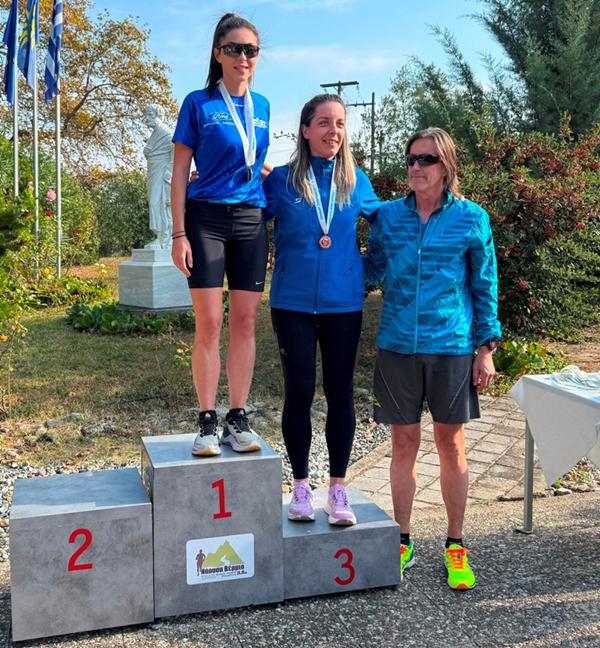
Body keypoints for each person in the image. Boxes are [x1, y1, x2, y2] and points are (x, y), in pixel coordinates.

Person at [364, 127, 502, 588]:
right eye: (411, 159)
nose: (416, 167)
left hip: (452, 346)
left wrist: (486, 348)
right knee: (403, 444)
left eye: (426, 159)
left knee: (451, 444)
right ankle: (402, 540)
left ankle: (455, 544)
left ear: (446, 166)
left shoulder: (471, 218)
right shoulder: (388, 217)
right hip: (397, 345)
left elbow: (484, 284)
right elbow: (370, 269)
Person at [263, 94, 383, 525]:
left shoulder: (356, 181)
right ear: (306, 129)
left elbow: (388, 223)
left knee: (340, 393)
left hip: (343, 304)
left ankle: (337, 489)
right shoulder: (282, 180)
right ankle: (299, 487)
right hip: (291, 303)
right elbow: (246, 215)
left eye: (340, 124)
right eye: (325, 123)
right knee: (299, 391)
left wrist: (367, 270)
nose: (334, 131)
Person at [171, 13, 270, 456]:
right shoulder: (198, 103)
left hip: (250, 219)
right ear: (218, 53)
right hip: (205, 220)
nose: (242, 57)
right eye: (234, 49)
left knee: (245, 322)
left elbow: (253, 162)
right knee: (210, 322)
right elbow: (179, 171)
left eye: (250, 50)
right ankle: (208, 421)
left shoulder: (262, 106)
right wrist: (178, 233)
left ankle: (238, 417)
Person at [143, 105, 174, 249]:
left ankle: (165, 238)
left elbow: (175, 151)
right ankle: (160, 237)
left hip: (162, 173)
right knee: (153, 202)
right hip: (153, 172)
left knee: (160, 203)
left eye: (150, 115)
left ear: (158, 115)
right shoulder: (155, 134)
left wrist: (169, 172)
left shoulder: (166, 134)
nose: (146, 119)